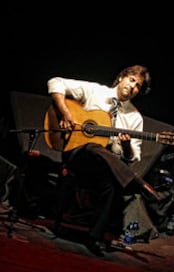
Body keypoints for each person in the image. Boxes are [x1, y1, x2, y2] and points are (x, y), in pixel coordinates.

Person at [47, 64, 160, 256]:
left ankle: (95, 237)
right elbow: (55, 82)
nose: (132, 87)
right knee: (94, 147)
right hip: (77, 154)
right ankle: (135, 182)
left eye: (138, 86)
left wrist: (125, 146)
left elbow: (134, 156)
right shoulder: (95, 91)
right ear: (121, 78)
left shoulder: (135, 118)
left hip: (103, 167)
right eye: (131, 80)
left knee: (110, 184)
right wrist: (65, 113)